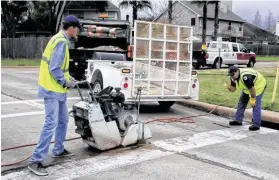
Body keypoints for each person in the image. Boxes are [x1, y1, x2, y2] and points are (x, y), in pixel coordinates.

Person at [28, 15, 82, 176]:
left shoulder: (58, 39)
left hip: (57, 90)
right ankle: (35, 160)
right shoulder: (61, 42)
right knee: (51, 123)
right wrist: (65, 82)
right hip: (52, 89)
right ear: (71, 27)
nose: (78, 30)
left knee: (63, 120)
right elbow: (54, 69)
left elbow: (61, 69)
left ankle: (58, 149)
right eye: (77, 27)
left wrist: (71, 79)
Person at [225, 66, 267, 131]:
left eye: (232, 75)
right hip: (247, 88)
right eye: (230, 75)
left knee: (255, 105)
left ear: (236, 71)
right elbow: (233, 89)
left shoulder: (246, 77)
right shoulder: (233, 77)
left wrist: (253, 99)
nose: (232, 77)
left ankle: (256, 124)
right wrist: (228, 86)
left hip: (258, 87)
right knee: (241, 101)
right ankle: (238, 120)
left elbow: (252, 90)